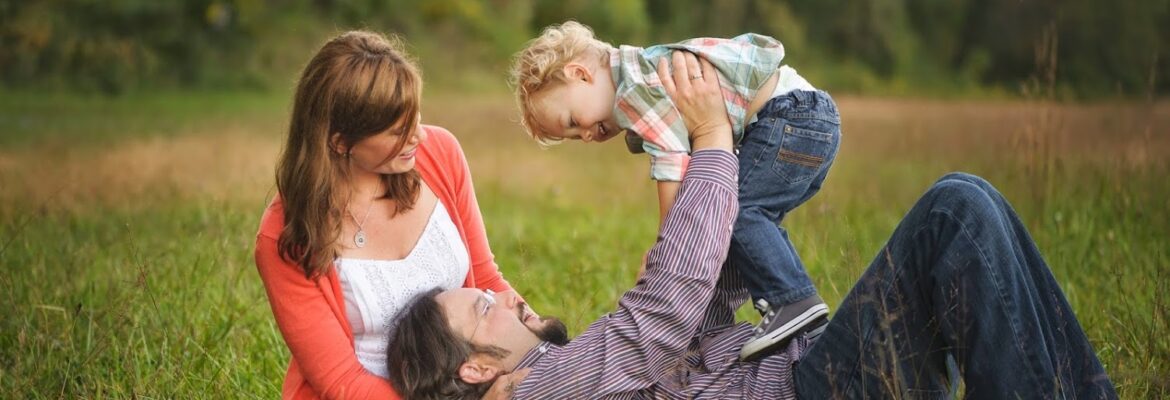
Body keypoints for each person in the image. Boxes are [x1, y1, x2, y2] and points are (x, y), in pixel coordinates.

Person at [386, 53, 1118, 399]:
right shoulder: (535, 392)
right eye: (484, 306)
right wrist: (708, 137)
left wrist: (696, 226)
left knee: (965, 200)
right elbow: (660, 323)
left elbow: (685, 316)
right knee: (956, 211)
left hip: (817, 371)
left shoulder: (564, 378)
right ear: (477, 369)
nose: (506, 293)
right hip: (815, 389)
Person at [511, 21, 840, 357]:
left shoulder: (633, 90)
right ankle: (782, 329)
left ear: (581, 74)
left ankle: (792, 301)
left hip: (790, 119)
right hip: (806, 121)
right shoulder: (642, 71)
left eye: (571, 122)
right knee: (735, 223)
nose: (585, 136)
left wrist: (668, 247)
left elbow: (672, 164)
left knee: (734, 211)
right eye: (573, 137)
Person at [252, 30, 536, 400]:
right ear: (340, 142)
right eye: (398, 131)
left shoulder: (440, 156)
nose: (418, 136)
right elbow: (341, 382)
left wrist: (553, 361)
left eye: (416, 117)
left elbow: (486, 278)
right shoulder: (286, 235)